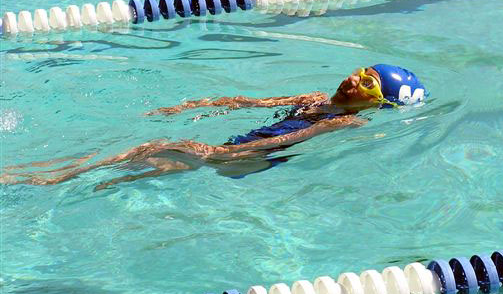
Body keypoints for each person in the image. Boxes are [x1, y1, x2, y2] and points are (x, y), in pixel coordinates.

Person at [1, 65, 427, 188]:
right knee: (153, 162)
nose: (353, 79)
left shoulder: (345, 121)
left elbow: (298, 136)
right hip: (243, 146)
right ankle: (75, 178)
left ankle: (50, 178)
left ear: (379, 101)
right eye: (361, 71)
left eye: (367, 83)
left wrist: (224, 153)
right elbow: (253, 102)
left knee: (154, 148)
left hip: (252, 159)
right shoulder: (315, 96)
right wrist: (198, 105)